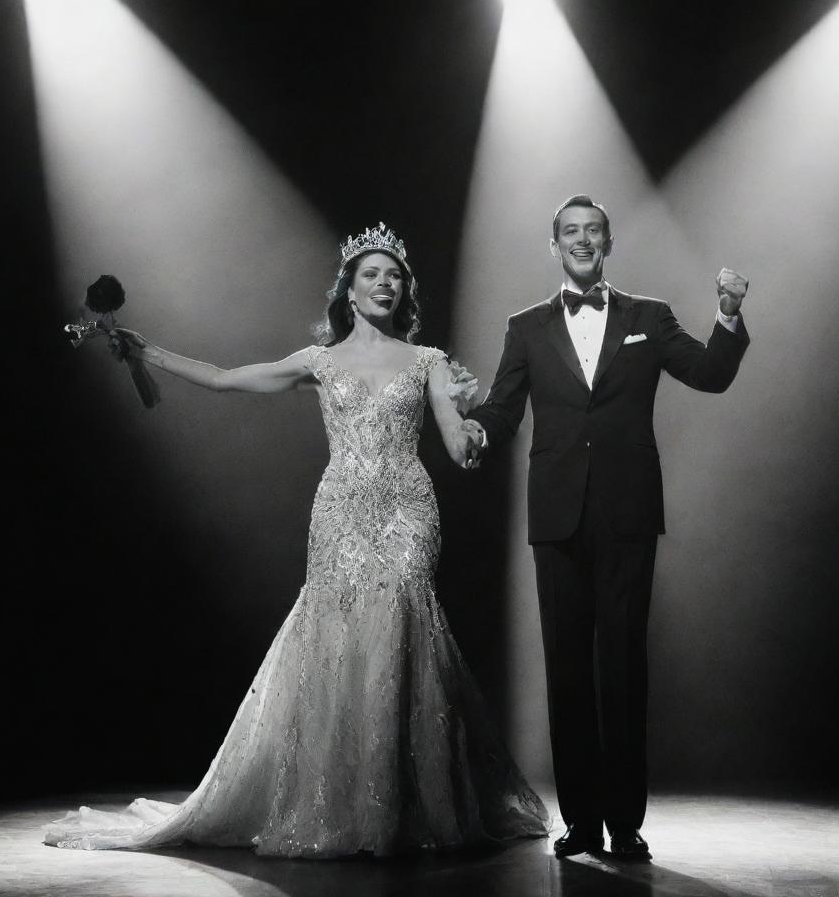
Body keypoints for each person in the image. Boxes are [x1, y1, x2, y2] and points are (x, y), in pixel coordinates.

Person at [44, 224, 550, 857]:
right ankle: (345, 805)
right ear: (349, 290)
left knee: (400, 626)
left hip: (407, 510)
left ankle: (399, 806)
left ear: (405, 291)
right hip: (338, 511)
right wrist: (148, 354)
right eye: (372, 274)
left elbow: (457, 444)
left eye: (394, 275)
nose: (384, 283)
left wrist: (477, 433)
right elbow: (228, 379)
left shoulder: (429, 362)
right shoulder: (318, 362)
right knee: (338, 637)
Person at [459, 195, 749, 861]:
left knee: (622, 666)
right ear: (553, 245)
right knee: (565, 671)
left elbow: (708, 373)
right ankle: (581, 823)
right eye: (570, 232)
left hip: (627, 513)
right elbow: (504, 412)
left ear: (609, 242)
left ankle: (625, 824)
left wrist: (728, 316)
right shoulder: (526, 326)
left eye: (592, 231)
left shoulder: (650, 317)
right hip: (557, 516)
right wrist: (474, 427)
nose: (582, 241)